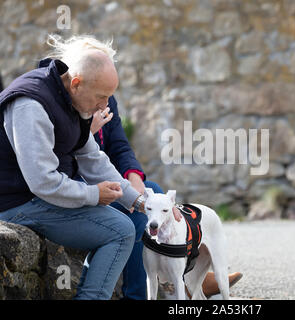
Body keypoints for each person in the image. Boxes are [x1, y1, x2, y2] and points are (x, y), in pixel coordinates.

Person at [0, 35, 182, 299]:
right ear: (76, 83)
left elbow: (93, 160)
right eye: (101, 97)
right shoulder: (31, 105)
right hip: (15, 203)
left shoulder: (72, 99)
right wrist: (94, 194)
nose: (105, 106)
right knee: (119, 230)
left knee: (122, 221)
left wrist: (142, 202)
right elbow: (42, 182)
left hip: (36, 194)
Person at [89, 99, 243, 299]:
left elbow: (120, 147)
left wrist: (133, 177)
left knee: (153, 190)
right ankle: (138, 295)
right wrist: (87, 133)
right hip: (84, 187)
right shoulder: (57, 102)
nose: (105, 101)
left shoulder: (106, 99)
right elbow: (73, 159)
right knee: (138, 219)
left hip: (110, 179)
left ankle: (184, 271)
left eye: (108, 95)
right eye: (101, 94)